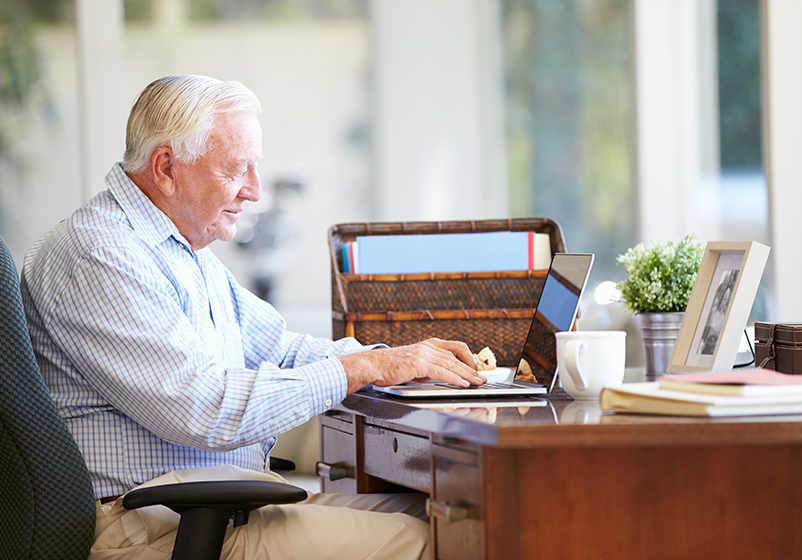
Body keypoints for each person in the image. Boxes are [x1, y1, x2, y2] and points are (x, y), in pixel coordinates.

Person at [20, 74, 486, 560]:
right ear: (166, 168)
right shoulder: (102, 254)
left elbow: (281, 349)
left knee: (461, 518)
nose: (255, 191)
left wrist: (397, 361)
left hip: (209, 509)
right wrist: (364, 368)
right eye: (237, 169)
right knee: (446, 542)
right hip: (154, 527)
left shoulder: (180, 251)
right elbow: (204, 409)